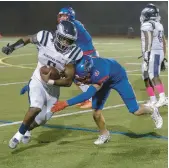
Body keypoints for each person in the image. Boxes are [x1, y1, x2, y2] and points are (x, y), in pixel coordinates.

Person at [2, 20, 83, 149]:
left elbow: (68, 82)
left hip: (54, 87)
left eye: (69, 41)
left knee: (41, 119)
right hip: (38, 79)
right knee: (36, 107)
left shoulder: (72, 53)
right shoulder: (44, 37)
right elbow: (28, 39)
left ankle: (27, 129)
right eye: (63, 39)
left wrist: (50, 81)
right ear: (57, 34)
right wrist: (12, 47)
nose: (65, 43)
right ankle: (18, 135)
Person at [51, 56, 163, 145]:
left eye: (84, 77)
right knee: (96, 113)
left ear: (90, 71)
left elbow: (88, 94)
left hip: (117, 78)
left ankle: (152, 110)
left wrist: (65, 103)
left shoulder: (99, 74)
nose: (82, 79)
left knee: (135, 110)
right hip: (104, 78)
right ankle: (104, 134)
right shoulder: (80, 67)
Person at [20, 6, 98, 109]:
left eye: (64, 16)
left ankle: (92, 99)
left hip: (86, 54)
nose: (61, 18)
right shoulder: (73, 24)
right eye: (60, 16)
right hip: (84, 53)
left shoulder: (72, 26)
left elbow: (60, 38)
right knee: (70, 73)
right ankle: (88, 98)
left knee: (77, 76)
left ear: (70, 16)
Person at [140, 3, 168, 107]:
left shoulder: (148, 25)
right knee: (146, 76)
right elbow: (164, 42)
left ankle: (162, 98)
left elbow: (148, 40)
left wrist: (147, 55)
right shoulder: (158, 24)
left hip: (152, 52)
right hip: (155, 52)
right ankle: (153, 99)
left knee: (153, 75)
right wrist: (163, 56)